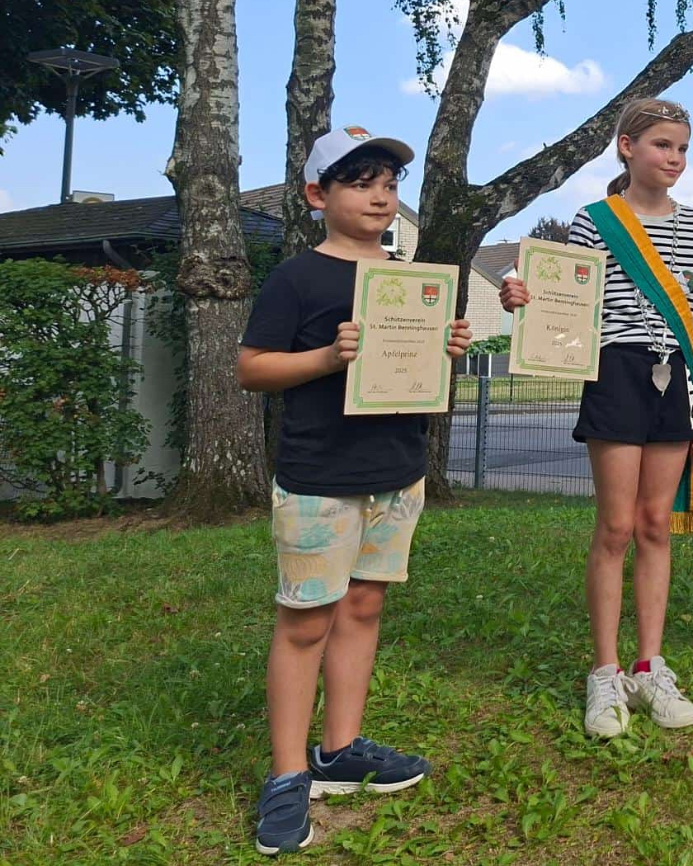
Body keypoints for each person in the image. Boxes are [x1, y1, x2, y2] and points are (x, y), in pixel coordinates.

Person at [237, 125, 473, 854]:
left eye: (390, 184)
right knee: (306, 622)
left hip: (397, 474)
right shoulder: (296, 278)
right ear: (318, 194)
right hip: (319, 479)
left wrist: (448, 347)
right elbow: (252, 368)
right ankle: (286, 777)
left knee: (365, 607)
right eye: (360, 180)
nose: (380, 195)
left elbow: (417, 373)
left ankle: (338, 750)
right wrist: (326, 355)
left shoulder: (410, 281)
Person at [500, 99, 693, 738]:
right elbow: (572, 305)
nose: (674, 159)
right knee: (616, 526)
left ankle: (649, 666)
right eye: (661, 146)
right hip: (616, 372)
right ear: (626, 148)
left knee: (657, 523)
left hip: (673, 377)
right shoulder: (594, 222)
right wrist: (525, 304)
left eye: (682, 148)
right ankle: (605, 672)